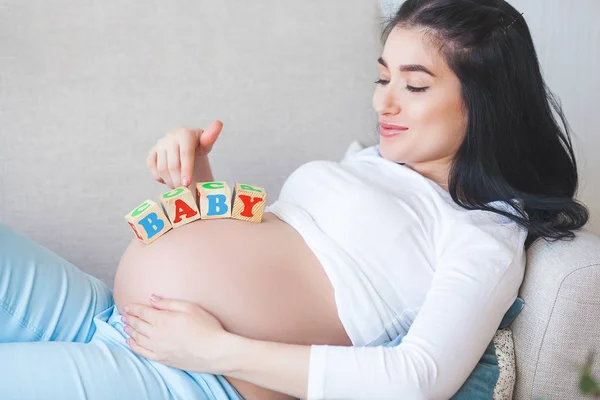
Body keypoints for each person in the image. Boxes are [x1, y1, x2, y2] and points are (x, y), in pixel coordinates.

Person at [0, 0, 589, 399]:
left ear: (485, 103)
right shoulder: (372, 160)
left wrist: (214, 350)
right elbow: (276, 254)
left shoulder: (483, 233)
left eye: (413, 86)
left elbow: (418, 379)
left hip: (190, 379)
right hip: (114, 317)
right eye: (383, 78)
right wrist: (196, 172)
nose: (385, 103)